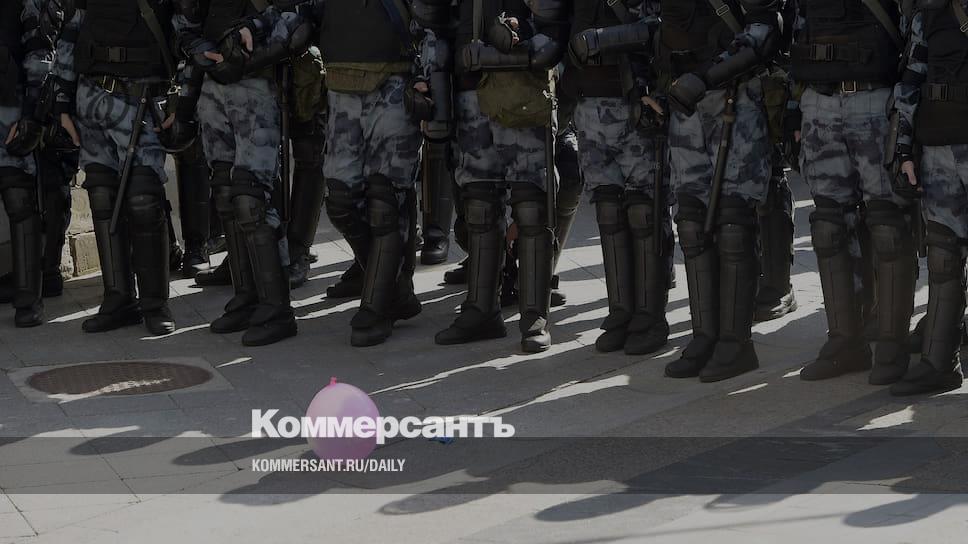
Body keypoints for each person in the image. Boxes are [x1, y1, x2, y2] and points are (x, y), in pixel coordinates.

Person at [217, 0, 426, 346]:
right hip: (342, 88)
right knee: (341, 201)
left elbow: (436, 21)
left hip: (394, 85)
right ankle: (395, 290)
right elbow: (298, 10)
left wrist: (429, 77)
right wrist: (252, 29)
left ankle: (377, 307)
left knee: (386, 202)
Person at [431, 0, 569, 353]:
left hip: (522, 85)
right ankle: (481, 310)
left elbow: (557, 23)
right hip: (468, 87)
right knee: (478, 203)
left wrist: (514, 40)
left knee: (531, 204)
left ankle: (535, 316)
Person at [790, 0, 915, 384]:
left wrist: (907, 118)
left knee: (889, 228)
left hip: (876, 102)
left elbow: (918, 42)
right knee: (828, 227)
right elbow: (797, 33)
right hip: (819, 103)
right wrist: (794, 106)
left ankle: (892, 345)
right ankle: (845, 342)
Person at [659, 0, 783, 382]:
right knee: (691, 223)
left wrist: (707, 75)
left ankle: (736, 344)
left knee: (733, 224)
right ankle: (705, 336)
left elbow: (765, 31)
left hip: (735, 97)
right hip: (684, 102)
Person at [173, 0, 298, 346]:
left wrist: (253, 32)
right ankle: (246, 296)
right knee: (226, 193)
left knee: (251, 198)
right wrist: (199, 48)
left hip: (258, 84)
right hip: (214, 86)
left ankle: (277, 308)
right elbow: (184, 20)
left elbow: (300, 14)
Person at [52, 0, 179, 335]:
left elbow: (186, 28)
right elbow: (71, 29)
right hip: (91, 101)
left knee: (143, 200)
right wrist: (61, 100)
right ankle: (118, 298)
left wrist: (182, 98)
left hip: (141, 99)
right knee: (102, 197)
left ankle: (155, 304)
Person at [564, 0, 673, 355]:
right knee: (608, 210)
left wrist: (599, 39)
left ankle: (650, 316)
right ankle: (621, 311)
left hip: (636, 103)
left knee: (645, 211)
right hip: (589, 103)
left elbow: (662, 25)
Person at [887, 0, 968, 395]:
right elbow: (910, 83)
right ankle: (939, 363)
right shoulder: (930, 15)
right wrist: (903, 150)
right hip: (939, 152)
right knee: (942, 256)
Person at [0, 0, 59, 327]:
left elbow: (40, 52)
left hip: (8, 110)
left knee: (19, 198)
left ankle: (28, 299)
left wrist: (32, 116)